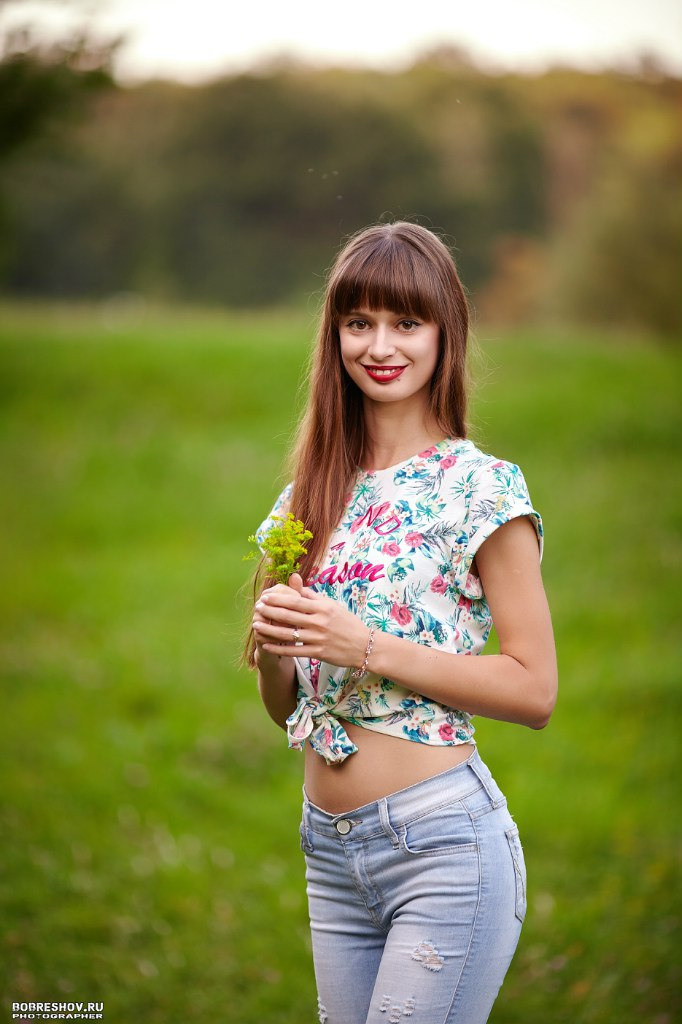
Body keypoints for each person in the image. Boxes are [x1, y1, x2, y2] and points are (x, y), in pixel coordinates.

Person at [243, 221, 557, 1024]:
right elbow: (289, 707)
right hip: (330, 854)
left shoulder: (480, 489)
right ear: (335, 334)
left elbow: (534, 690)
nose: (379, 345)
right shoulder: (307, 495)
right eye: (359, 323)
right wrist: (278, 648)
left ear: (444, 333)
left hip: (442, 852)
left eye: (405, 322)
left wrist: (363, 644)